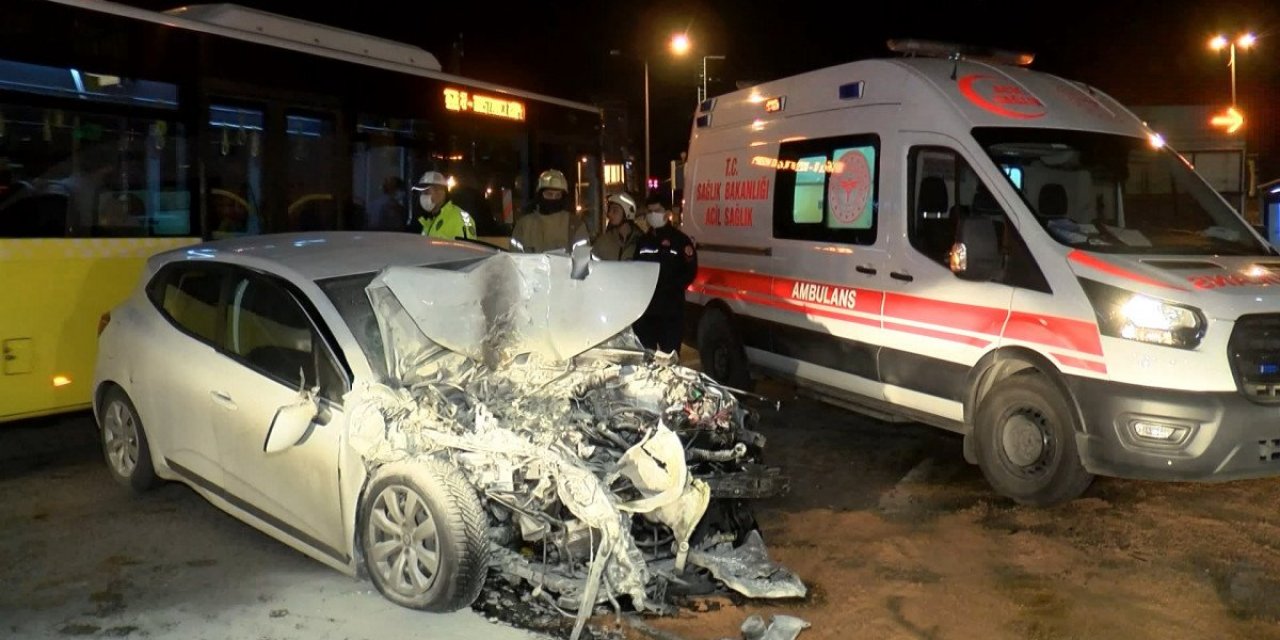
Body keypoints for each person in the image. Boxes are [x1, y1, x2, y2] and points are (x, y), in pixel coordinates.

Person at [633, 195, 698, 354]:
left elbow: (690, 270)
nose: (652, 214)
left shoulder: (680, 241)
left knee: (670, 358)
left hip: (671, 312)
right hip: (647, 312)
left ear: (667, 213)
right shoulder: (643, 241)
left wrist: (672, 288)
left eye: (657, 210)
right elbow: (635, 269)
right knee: (647, 358)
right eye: (649, 211)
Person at [510, 168, 588, 253]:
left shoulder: (575, 225)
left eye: (558, 195)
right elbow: (515, 259)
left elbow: (582, 261)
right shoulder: (523, 226)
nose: (553, 199)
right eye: (549, 194)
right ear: (539, 195)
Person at [409, 170, 476, 240]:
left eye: (426, 192)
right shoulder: (429, 221)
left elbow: (464, 249)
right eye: (421, 193)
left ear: (440, 192)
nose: (422, 197)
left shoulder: (460, 218)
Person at [592, 192, 641, 261]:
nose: (609, 214)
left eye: (615, 210)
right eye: (609, 210)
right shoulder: (602, 242)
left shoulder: (641, 242)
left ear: (628, 213)